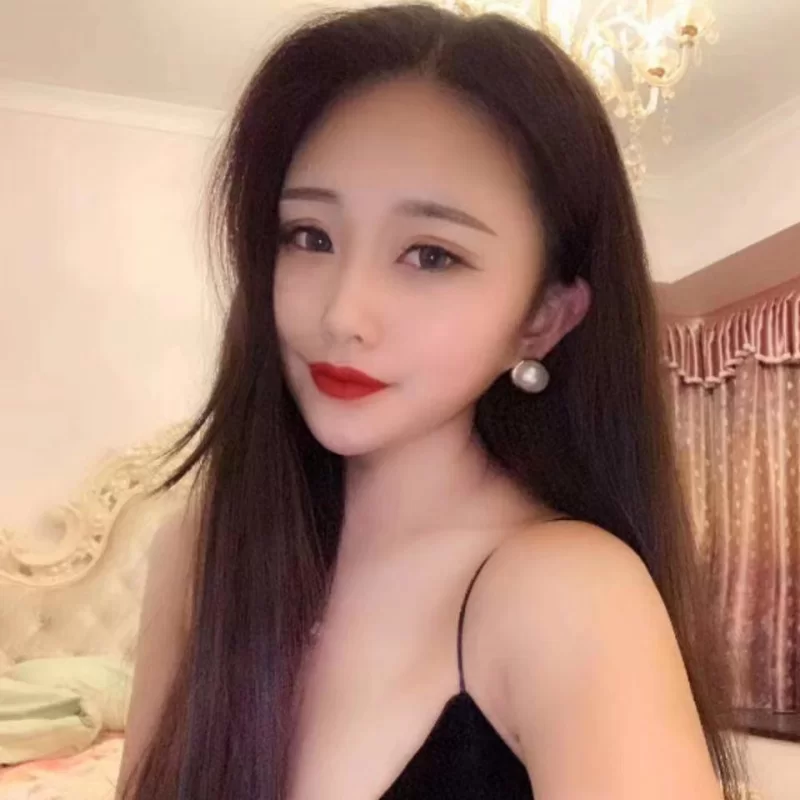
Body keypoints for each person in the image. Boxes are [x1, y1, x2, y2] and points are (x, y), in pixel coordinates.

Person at [117, 3, 746, 799]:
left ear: (542, 318)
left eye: (431, 255)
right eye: (309, 236)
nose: (344, 314)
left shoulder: (570, 594)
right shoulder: (202, 550)